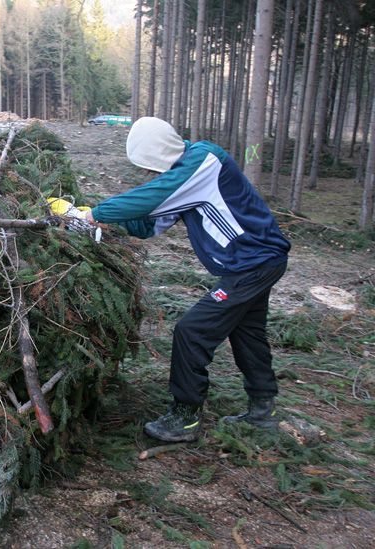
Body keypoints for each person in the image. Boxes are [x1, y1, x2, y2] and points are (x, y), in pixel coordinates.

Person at [82, 117, 291, 442]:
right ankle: (264, 410)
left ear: (157, 155)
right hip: (251, 266)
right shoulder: (183, 180)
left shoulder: (204, 161)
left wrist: (94, 213)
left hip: (254, 265)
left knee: (191, 332)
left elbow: (150, 196)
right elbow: (149, 226)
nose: (149, 175)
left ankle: (185, 417)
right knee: (248, 334)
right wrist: (101, 226)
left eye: (148, 167)